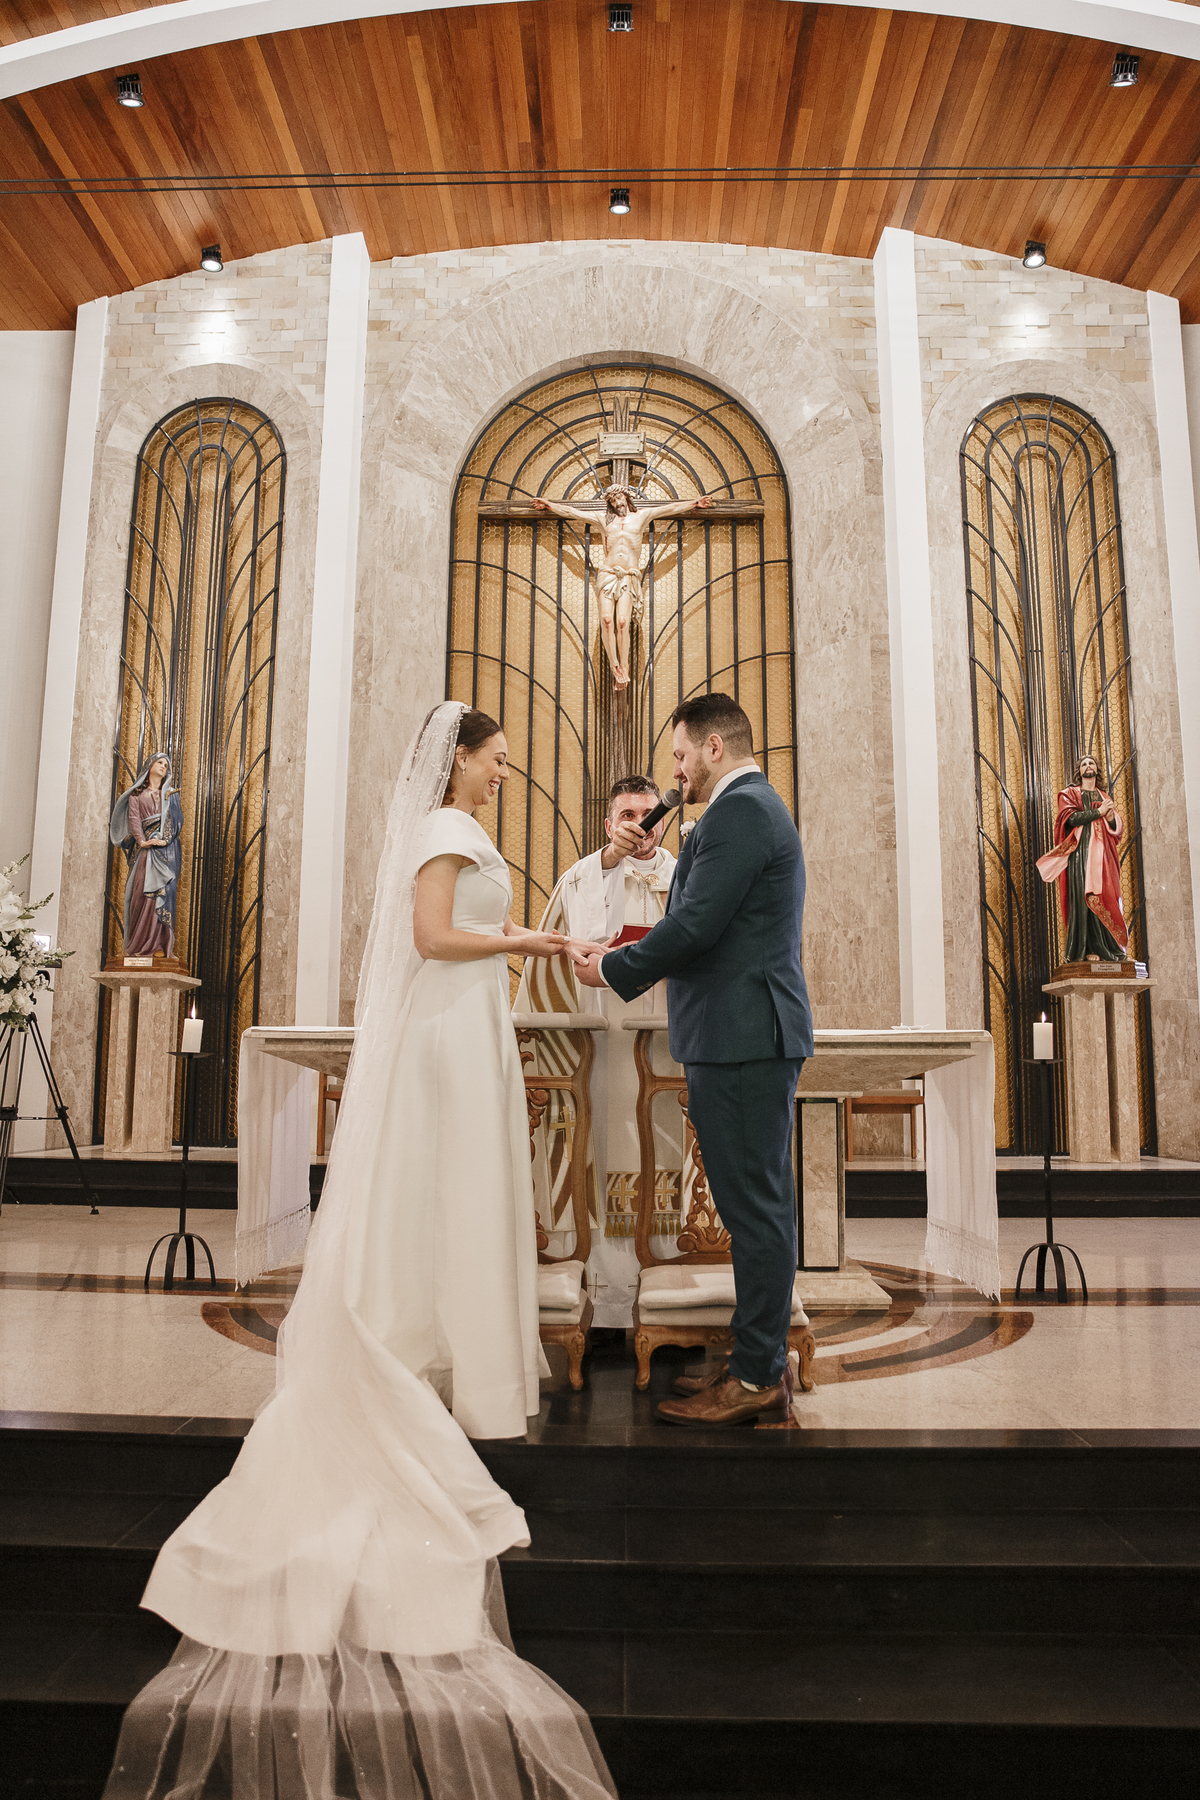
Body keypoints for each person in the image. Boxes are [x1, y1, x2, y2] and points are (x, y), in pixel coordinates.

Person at [103, 703, 615, 1800]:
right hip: (443, 1029)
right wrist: (535, 941)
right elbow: (432, 940)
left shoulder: (465, 831)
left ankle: (441, 1349)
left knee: (465, 1198)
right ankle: (404, 1347)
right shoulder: (440, 835)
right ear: (460, 759)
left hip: (471, 1024)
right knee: (438, 1190)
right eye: (496, 762)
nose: (502, 777)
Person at [575, 692, 813, 1426]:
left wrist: (613, 972)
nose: (675, 772)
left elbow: (697, 925)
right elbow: (700, 916)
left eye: (680, 756)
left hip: (745, 1036)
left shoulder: (743, 811)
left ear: (715, 747)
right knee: (752, 1205)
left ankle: (754, 1377)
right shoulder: (742, 811)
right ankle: (754, 1360)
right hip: (736, 1033)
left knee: (756, 1208)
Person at [515, 776, 683, 1334]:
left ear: (663, 821)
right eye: (627, 814)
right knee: (598, 1151)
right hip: (599, 1047)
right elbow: (552, 961)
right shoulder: (581, 878)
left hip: (667, 1049)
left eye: (649, 812)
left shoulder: (685, 878)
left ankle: (667, 1287)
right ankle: (604, 1301)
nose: (640, 822)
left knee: (664, 1155)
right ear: (610, 824)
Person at [533, 485, 713, 688]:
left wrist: (695, 503)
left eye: (618, 498)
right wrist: (549, 505)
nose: (617, 503)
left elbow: (669, 509)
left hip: (628, 576)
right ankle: (614, 667)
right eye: (612, 501)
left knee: (621, 622)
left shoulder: (641, 517)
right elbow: (573, 513)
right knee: (607, 620)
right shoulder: (604, 520)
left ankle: (624, 668)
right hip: (608, 574)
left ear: (626, 497)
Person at [1035, 753, 1129, 963]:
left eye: (1091, 763)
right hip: (1080, 857)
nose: (1088, 766)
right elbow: (1070, 819)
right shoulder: (1069, 794)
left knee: (1105, 897)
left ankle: (1107, 948)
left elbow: (1117, 833)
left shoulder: (1105, 797)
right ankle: (1084, 949)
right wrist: (1099, 813)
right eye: (1084, 764)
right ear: (1080, 771)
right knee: (1083, 899)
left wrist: (1112, 818)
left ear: (1097, 770)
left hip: (1103, 858)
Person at [109, 754, 183, 959]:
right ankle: (139, 945)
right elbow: (134, 819)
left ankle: (160, 945)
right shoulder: (136, 795)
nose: (163, 767)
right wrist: (142, 842)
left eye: (166, 765)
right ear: (150, 765)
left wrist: (164, 839)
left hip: (166, 852)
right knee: (142, 895)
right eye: (159, 762)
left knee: (163, 893)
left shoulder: (170, 795)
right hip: (146, 851)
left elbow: (177, 821)